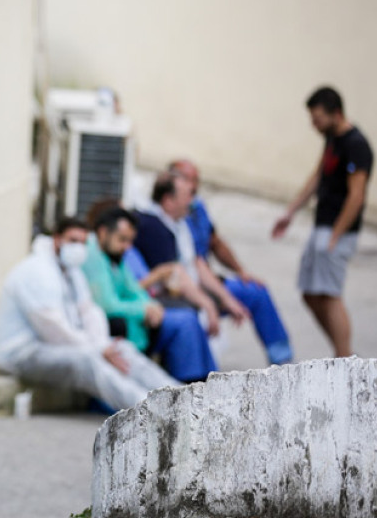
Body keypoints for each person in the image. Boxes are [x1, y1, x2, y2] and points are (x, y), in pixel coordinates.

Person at [0, 218, 179, 411]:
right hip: (24, 353)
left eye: (82, 243)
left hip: (61, 346)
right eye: (72, 240)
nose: (78, 247)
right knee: (88, 361)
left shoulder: (72, 272)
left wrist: (104, 345)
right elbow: (54, 331)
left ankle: (180, 397)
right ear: (57, 239)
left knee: (121, 348)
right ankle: (152, 412)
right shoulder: (36, 272)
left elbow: (89, 312)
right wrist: (98, 349)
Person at [272, 87, 373, 358]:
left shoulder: (356, 146)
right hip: (322, 227)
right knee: (310, 293)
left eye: (317, 118)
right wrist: (290, 212)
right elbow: (318, 176)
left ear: (336, 114)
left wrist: (336, 235)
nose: (313, 124)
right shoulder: (332, 139)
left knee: (329, 294)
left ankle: (344, 359)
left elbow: (357, 195)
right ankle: (345, 353)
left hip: (338, 232)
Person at [171, 160, 293, 365]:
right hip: (187, 286)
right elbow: (190, 265)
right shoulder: (170, 213)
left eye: (195, 180)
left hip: (209, 280)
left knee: (257, 292)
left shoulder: (197, 206)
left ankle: (283, 364)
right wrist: (221, 298)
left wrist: (241, 271)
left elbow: (214, 243)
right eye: (185, 180)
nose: (191, 186)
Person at [83, 207, 217, 383]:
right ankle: (189, 386)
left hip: (137, 322)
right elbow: (106, 304)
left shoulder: (113, 254)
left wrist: (151, 307)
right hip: (116, 326)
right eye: (122, 240)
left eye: (129, 241)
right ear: (102, 232)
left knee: (187, 318)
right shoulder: (93, 256)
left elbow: (133, 289)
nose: (127, 247)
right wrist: (144, 310)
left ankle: (205, 382)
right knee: (183, 323)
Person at [132, 172, 251, 338]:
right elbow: (173, 277)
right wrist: (208, 304)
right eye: (187, 196)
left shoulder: (179, 222)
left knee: (251, 291)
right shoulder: (153, 227)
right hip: (166, 296)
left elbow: (196, 263)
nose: (192, 202)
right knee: (190, 318)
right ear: (168, 200)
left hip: (190, 288)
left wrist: (227, 299)